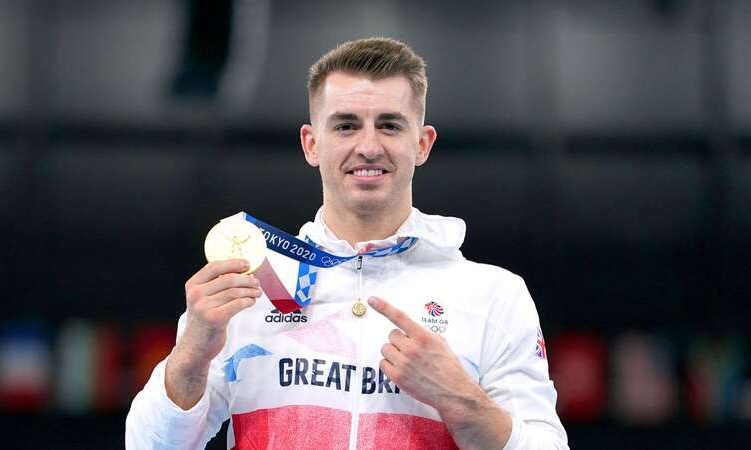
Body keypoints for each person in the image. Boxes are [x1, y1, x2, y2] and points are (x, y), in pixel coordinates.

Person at [126, 37, 568, 450]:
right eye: (346, 126)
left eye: (390, 125)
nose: (369, 146)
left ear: (422, 143)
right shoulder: (251, 284)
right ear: (311, 144)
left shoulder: (493, 296)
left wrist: (459, 399)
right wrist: (190, 356)